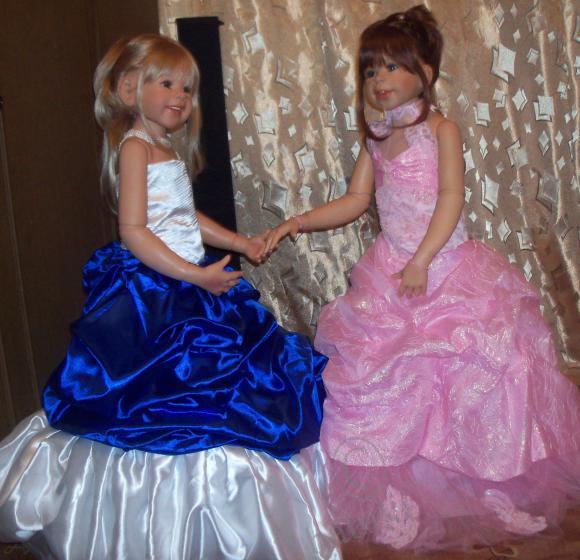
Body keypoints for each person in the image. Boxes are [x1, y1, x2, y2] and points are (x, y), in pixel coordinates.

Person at [0, 34, 341, 560]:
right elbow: (134, 231)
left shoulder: (163, 147)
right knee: (165, 399)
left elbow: (184, 217)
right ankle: (161, 521)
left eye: (187, 88)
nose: (180, 96)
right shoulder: (134, 146)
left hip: (185, 279)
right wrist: (194, 277)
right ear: (129, 89)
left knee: (220, 388)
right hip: (157, 293)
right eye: (167, 83)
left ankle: (219, 513)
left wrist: (239, 243)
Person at [265, 5, 580, 553]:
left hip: (447, 265)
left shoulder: (441, 129)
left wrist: (424, 260)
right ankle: (398, 490)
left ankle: (492, 484)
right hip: (392, 272)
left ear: (425, 73)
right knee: (386, 379)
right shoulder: (376, 136)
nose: (378, 79)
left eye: (392, 66)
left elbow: (451, 198)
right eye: (370, 69)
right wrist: (297, 221)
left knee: (484, 370)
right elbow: (356, 200)